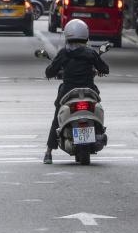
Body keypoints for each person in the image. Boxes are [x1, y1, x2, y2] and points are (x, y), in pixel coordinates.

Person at [43, 19, 109, 164]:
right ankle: (99, 130)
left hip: (68, 91)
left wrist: (52, 71)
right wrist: (99, 69)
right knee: (98, 106)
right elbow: (105, 68)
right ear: (85, 35)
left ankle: (49, 152)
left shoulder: (63, 53)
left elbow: (50, 71)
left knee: (57, 117)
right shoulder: (91, 53)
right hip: (89, 91)